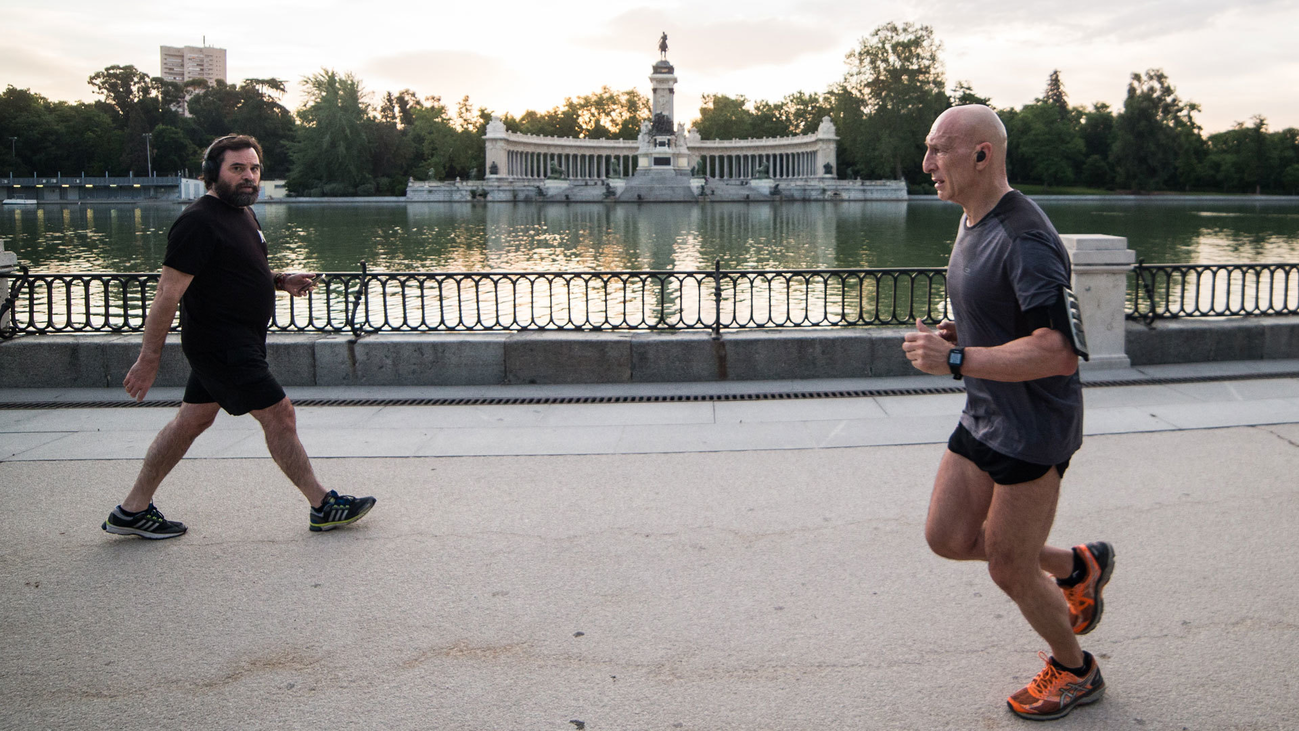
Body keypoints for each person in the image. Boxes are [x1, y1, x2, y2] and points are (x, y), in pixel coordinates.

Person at [902, 105, 1113, 721]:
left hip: (1033, 431)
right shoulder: (973, 219)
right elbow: (1005, 314)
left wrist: (959, 357)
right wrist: (963, 330)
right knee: (947, 538)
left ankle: (1076, 670)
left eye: (939, 150)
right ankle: (1080, 565)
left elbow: (1058, 351)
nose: (927, 163)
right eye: (928, 150)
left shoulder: (1024, 237)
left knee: (1007, 565)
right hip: (983, 414)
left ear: (981, 155)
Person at [102, 134, 375, 539]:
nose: (249, 177)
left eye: (254, 169)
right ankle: (323, 505)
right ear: (213, 174)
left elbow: (237, 270)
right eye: (237, 168)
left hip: (235, 342)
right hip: (222, 345)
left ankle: (132, 510)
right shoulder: (197, 221)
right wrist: (148, 359)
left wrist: (281, 280)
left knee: (190, 422)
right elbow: (166, 294)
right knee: (280, 414)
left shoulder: (242, 214)